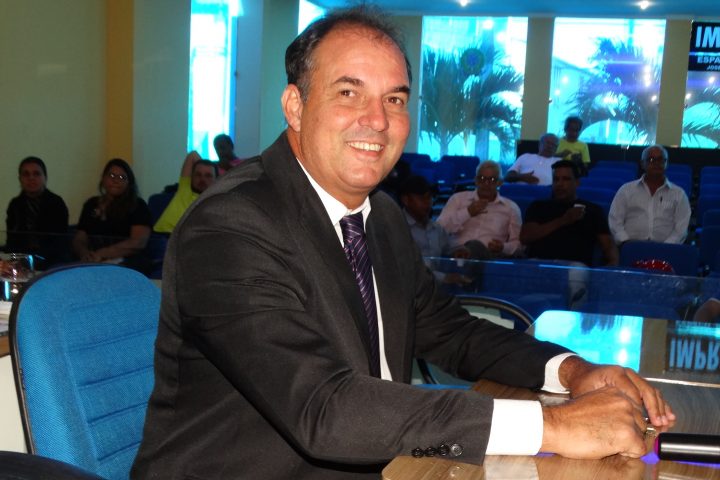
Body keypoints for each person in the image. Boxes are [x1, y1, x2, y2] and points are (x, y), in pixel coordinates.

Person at [132, 7, 673, 480]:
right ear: (295, 105)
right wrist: (551, 426)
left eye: (394, 99)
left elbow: (452, 332)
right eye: (348, 93)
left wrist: (574, 372)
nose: (377, 120)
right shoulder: (229, 227)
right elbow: (323, 410)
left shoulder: (380, 217)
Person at [520, 160, 618, 267]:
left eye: (566, 179)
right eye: (556, 179)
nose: (559, 184)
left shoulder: (592, 210)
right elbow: (525, 237)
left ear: (577, 182)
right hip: (539, 263)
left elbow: (608, 245)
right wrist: (563, 220)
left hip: (575, 266)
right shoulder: (538, 206)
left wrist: (612, 264)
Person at [72, 158, 152, 274]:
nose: (115, 180)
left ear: (129, 182)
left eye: (122, 177)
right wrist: (85, 254)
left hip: (126, 261)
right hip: (92, 260)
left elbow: (138, 242)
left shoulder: (138, 205)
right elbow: (80, 237)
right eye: (111, 175)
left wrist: (102, 254)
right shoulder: (91, 204)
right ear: (103, 178)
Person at [437, 160, 522, 259]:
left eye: (492, 179)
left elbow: (518, 245)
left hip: (486, 257)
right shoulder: (458, 199)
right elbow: (439, 230)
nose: (486, 183)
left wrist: (503, 247)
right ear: (476, 180)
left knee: (475, 246)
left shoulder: (511, 208)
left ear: (500, 183)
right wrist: (467, 212)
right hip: (454, 254)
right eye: (482, 178)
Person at [608, 145, 691, 245]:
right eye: (651, 159)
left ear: (666, 163)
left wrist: (666, 248)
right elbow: (615, 221)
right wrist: (626, 243)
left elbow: (681, 229)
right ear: (642, 163)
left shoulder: (679, 194)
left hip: (667, 250)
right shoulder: (626, 190)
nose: (656, 163)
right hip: (629, 248)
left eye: (660, 160)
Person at [399, 175, 469, 285]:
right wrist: (444, 278)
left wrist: (459, 250)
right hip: (409, 289)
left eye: (429, 197)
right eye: (421, 198)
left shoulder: (436, 228)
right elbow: (407, 268)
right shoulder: (398, 227)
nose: (427, 203)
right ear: (406, 200)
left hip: (435, 288)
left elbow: (450, 246)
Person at [4, 156, 69, 267]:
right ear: (20, 179)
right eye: (26, 174)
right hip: (21, 260)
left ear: (45, 177)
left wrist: (34, 259)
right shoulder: (15, 204)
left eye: (36, 174)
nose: (31, 178)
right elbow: (12, 238)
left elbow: (58, 241)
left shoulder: (56, 203)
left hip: (51, 261)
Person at [153, 151, 218, 234]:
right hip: (160, 234)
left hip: (185, 238)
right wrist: (203, 164)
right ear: (192, 177)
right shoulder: (185, 188)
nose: (202, 179)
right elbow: (192, 155)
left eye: (208, 176)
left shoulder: (217, 201)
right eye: (198, 175)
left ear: (217, 180)